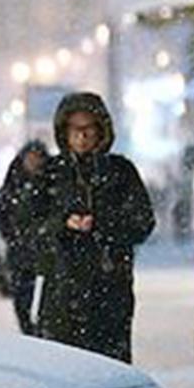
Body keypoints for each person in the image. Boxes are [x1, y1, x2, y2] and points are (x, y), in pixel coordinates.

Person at [30, 92, 155, 362]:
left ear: (102, 130)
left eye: (89, 128)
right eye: (75, 129)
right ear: (64, 132)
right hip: (61, 291)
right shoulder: (51, 173)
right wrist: (62, 223)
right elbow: (29, 225)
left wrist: (102, 225)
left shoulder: (120, 171)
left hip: (109, 288)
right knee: (61, 369)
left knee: (109, 370)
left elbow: (142, 222)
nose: (82, 136)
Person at [0, 139, 48, 334]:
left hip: (43, 251)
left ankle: (40, 330)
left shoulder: (49, 185)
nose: (33, 162)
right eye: (30, 158)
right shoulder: (12, 185)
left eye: (37, 158)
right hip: (19, 252)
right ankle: (28, 331)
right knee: (22, 298)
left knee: (45, 297)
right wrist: (13, 236)